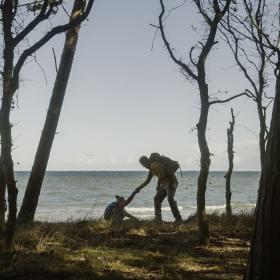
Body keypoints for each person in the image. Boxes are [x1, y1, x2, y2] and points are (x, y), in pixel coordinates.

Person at [136, 154, 182, 223]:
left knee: (170, 199)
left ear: (146, 161)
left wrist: (158, 184)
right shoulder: (151, 168)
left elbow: (162, 173)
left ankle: (178, 219)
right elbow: (147, 180)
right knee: (157, 199)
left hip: (171, 182)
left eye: (143, 164)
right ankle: (158, 219)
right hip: (164, 183)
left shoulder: (154, 165)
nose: (144, 166)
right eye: (142, 165)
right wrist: (139, 188)